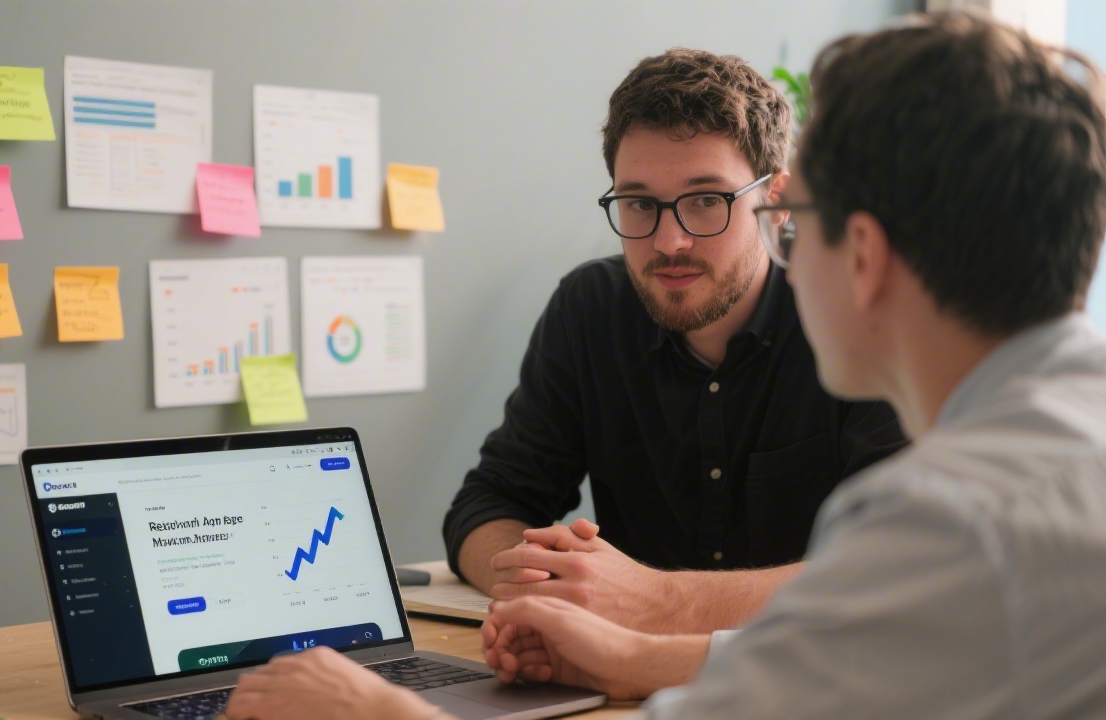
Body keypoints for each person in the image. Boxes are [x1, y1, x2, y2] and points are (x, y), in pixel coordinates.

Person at [223, 12, 1106, 720]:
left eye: (801, 218)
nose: (672, 238)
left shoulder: (949, 522)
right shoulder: (1063, 445)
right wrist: (626, 650)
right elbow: (857, 654)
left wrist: (378, 710)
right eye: (641, 205)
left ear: (860, 254)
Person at [442, 47, 905, 636]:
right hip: (611, 675)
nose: (669, 242)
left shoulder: (859, 318)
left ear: (777, 203)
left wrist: (659, 600)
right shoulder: (591, 310)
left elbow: (896, 567)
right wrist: (543, 587)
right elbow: (488, 505)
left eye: (706, 200)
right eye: (639, 204)